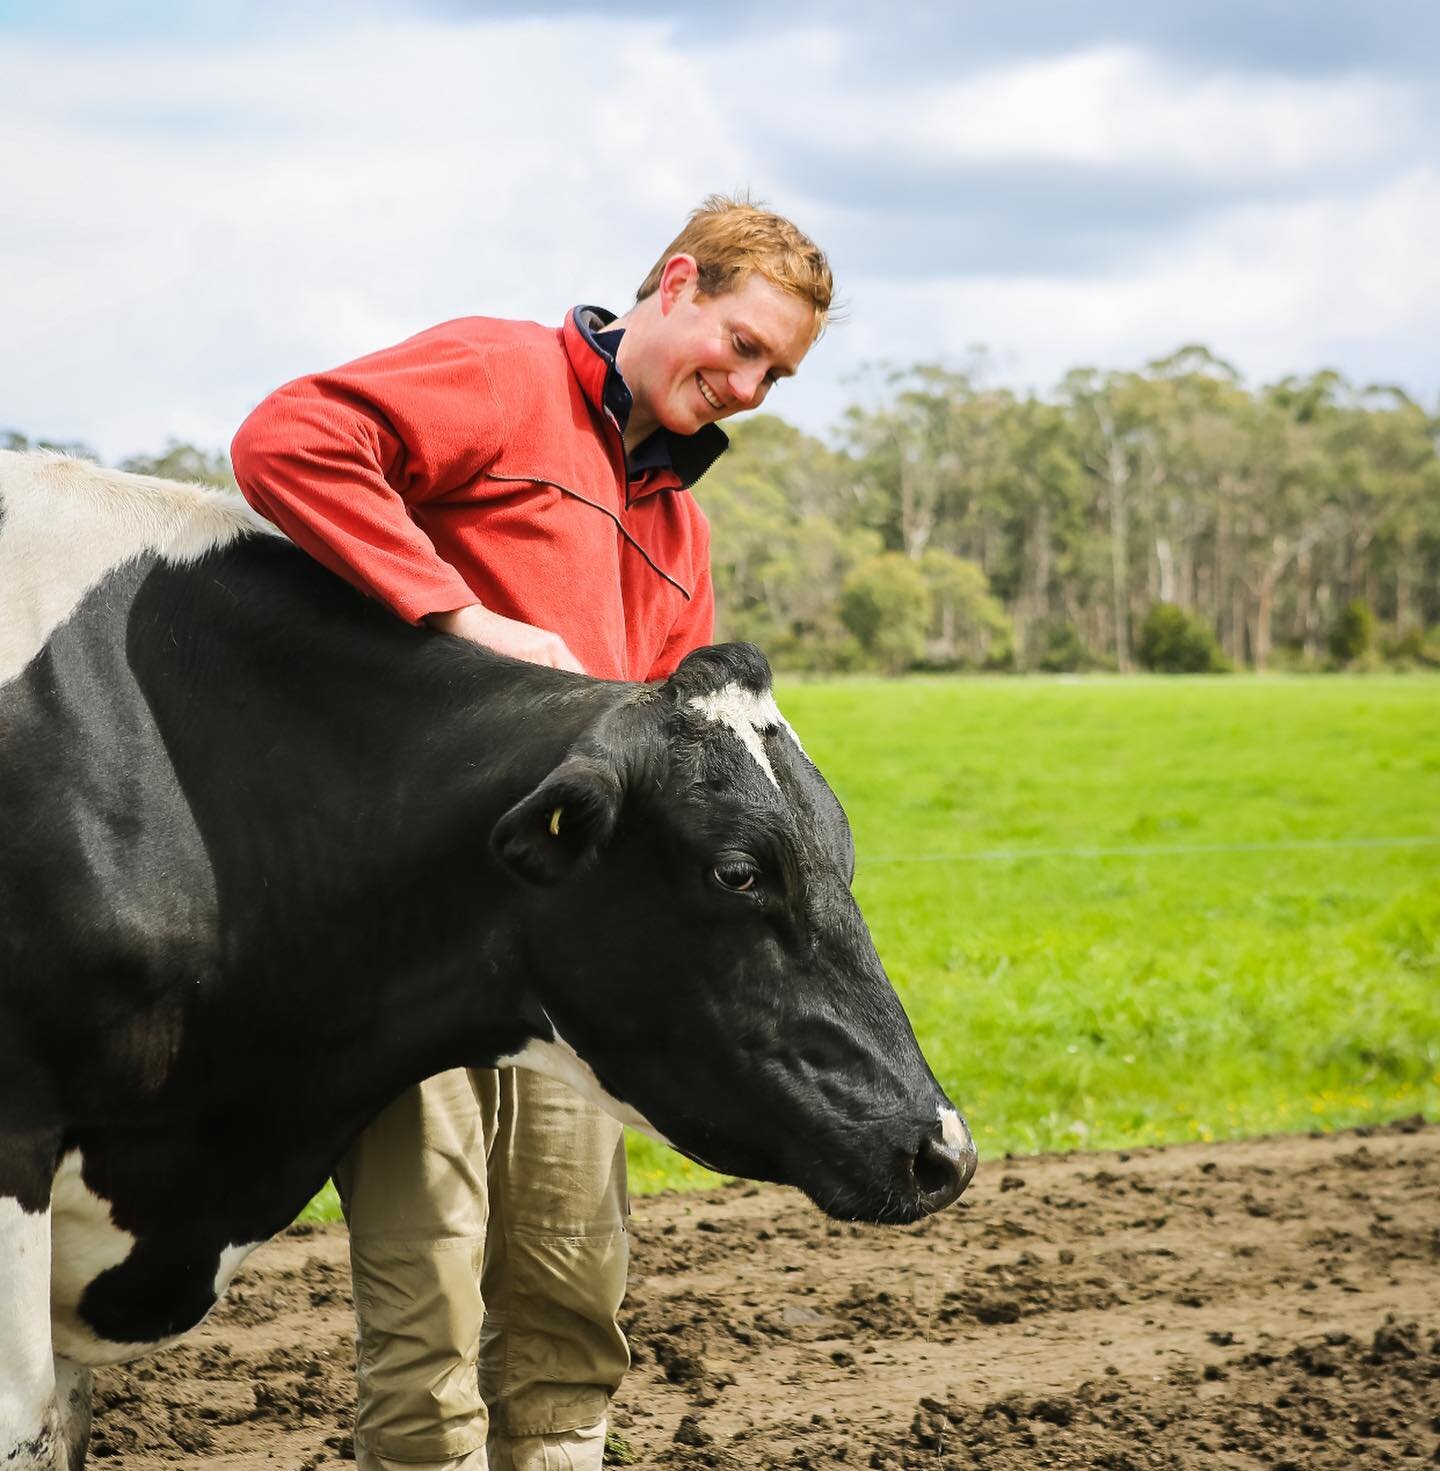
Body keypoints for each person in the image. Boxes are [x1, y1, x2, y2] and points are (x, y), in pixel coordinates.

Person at [230, 194, 833, 1471]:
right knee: (427, 1290)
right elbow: (289, 439)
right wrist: (457, 616)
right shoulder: (503, 375)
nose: (749, 384)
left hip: (575, 968)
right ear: (675, 284)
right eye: (739, 343)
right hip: (424, 933)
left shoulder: (681, 528)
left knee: (572, 1278)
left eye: (775, 372)